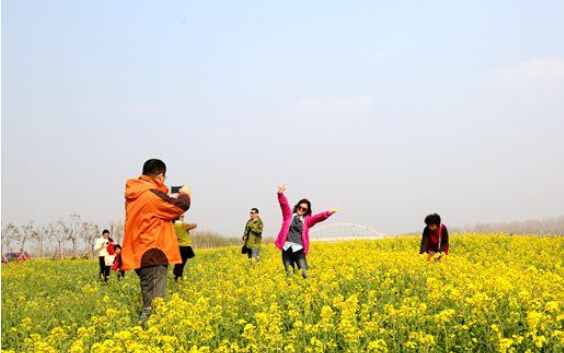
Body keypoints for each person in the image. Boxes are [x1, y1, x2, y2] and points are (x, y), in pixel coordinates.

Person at [121, 159, 191, 325]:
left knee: (152, 304)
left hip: (142, 252)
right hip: (153, 253)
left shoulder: (136, 194)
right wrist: (185, 194)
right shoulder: (151, 195)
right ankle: (145, 338)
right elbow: (179, 207)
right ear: (160, 175)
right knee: (153, 307)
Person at [274, 185, 338, 278]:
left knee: (305, 275)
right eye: (300, 207)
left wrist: (329, 212)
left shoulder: (307, 221)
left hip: (298, 250)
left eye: (304, 209)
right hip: (286, 249)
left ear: (306, 211)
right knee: (290, 275)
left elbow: (317, 218)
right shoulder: (288, 216)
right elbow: (284, 205)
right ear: (297, 207)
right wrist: (280, 194)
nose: (301, 209)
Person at [173, 214, 197, 282]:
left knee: (177, 264)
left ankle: (175, 277)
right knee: (181, 265)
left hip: (177, 247)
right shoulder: (181, 225)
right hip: (184, 247)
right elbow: (193, 225)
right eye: (182, 216)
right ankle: (178, 279)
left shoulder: (173, 225)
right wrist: (194, 224)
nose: (183, 218)